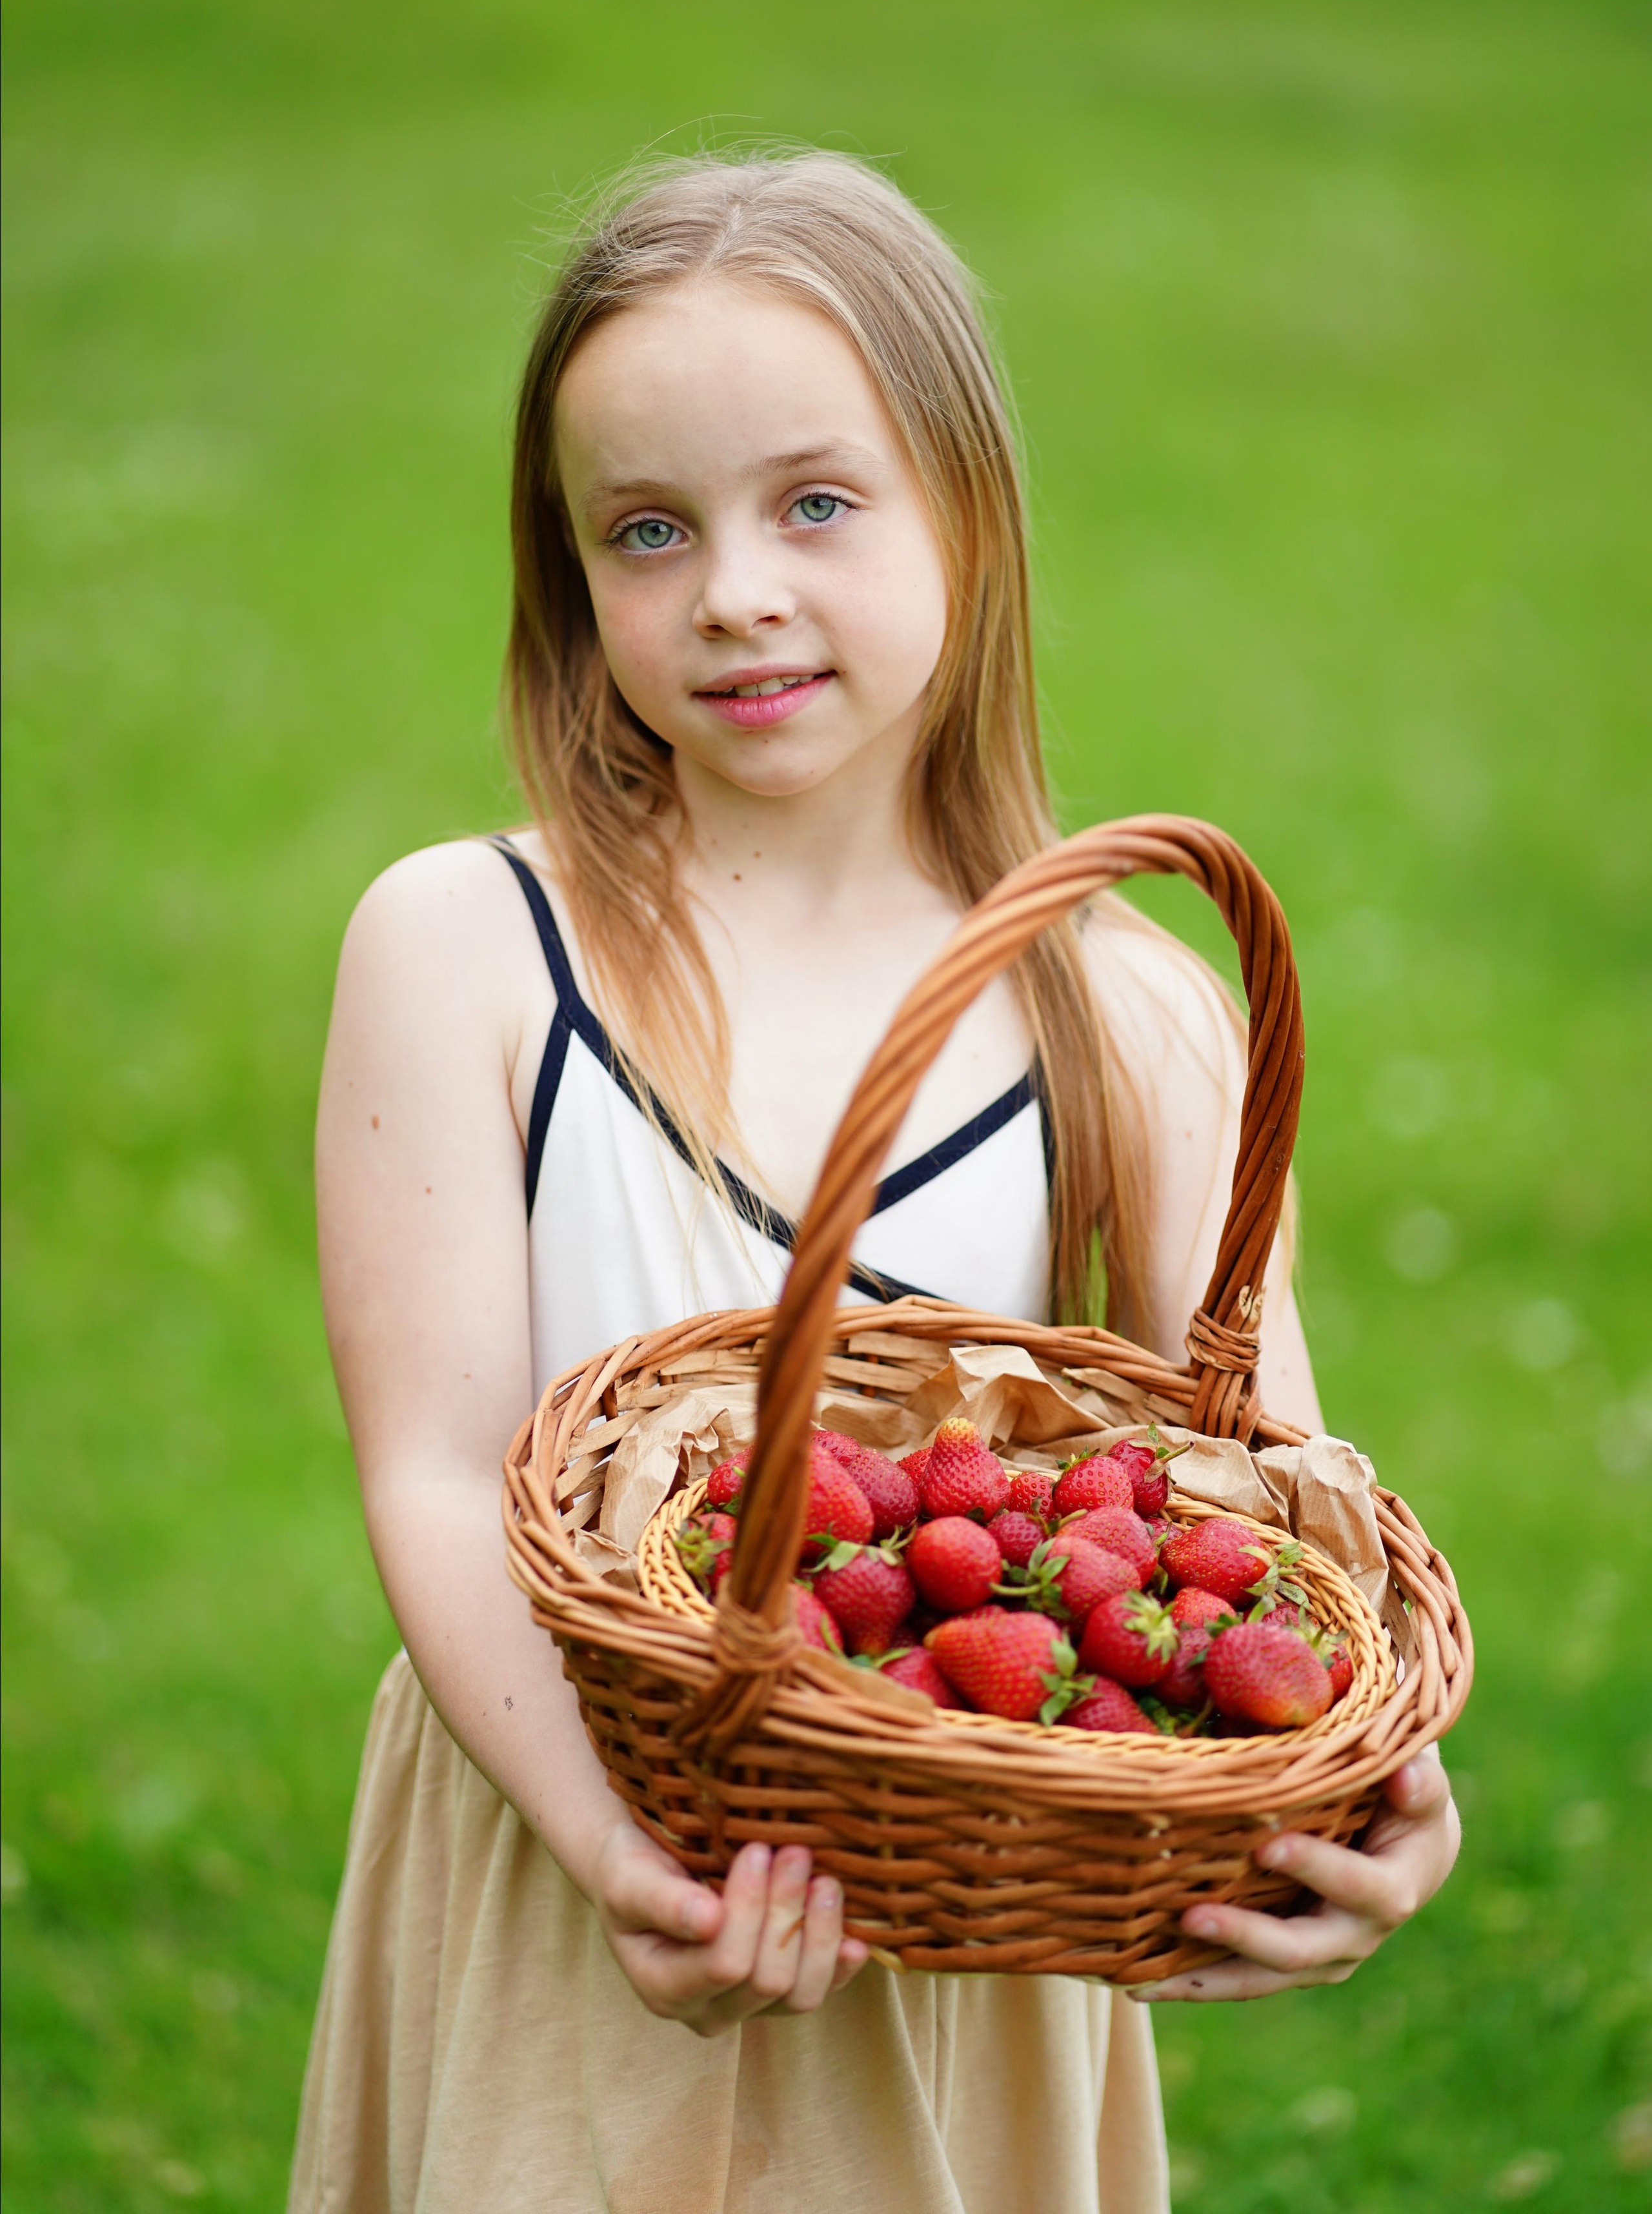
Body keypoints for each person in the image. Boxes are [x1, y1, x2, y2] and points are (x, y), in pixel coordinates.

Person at [289, 150, 1458, 2214]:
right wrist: (619, 1857)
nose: (734, 588)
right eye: (646, 531)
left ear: (971, 518)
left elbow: (1274, 1503)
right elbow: (439, 1476)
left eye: (817, 503)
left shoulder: (1131, 1010)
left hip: (967, 1924)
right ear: (572, 581)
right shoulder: (465, 950)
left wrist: (1374, 1783)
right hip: (569, 1853)